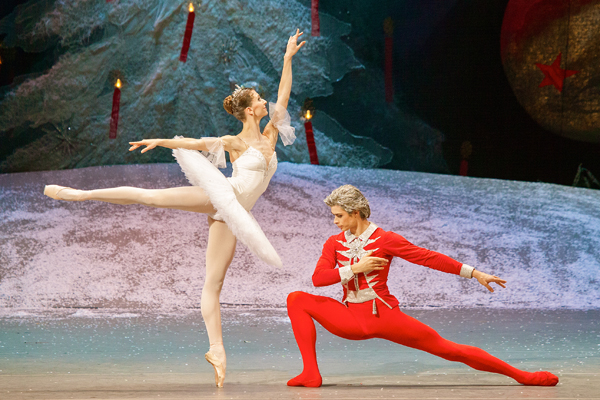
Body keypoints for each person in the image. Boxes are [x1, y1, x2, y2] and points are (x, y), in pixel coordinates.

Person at [43, 29, 306, 388]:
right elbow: (195, 143)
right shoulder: (234, 142)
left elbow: (284, 94)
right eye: (259, 99)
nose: (266, 102)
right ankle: (80, 195)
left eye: (263, 98)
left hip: (234, 216)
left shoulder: (272, 134)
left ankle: (217, 351)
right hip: (222, 196)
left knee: (213, 284)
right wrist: (160, 140)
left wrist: (288, 58)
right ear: (248, 110)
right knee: (149, 197)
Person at [286, 184, 559, 388]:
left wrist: (474, 273)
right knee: (296, 299)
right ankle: (311, 373)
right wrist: (355, 268)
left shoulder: (385, 239)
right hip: (350, 319)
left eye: (338, 216)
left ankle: (522, 376)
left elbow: (427, 257)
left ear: (355, 212)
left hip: (383, 316)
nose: (335, 222)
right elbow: (318, 279)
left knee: (448, 349)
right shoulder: (334, 243)